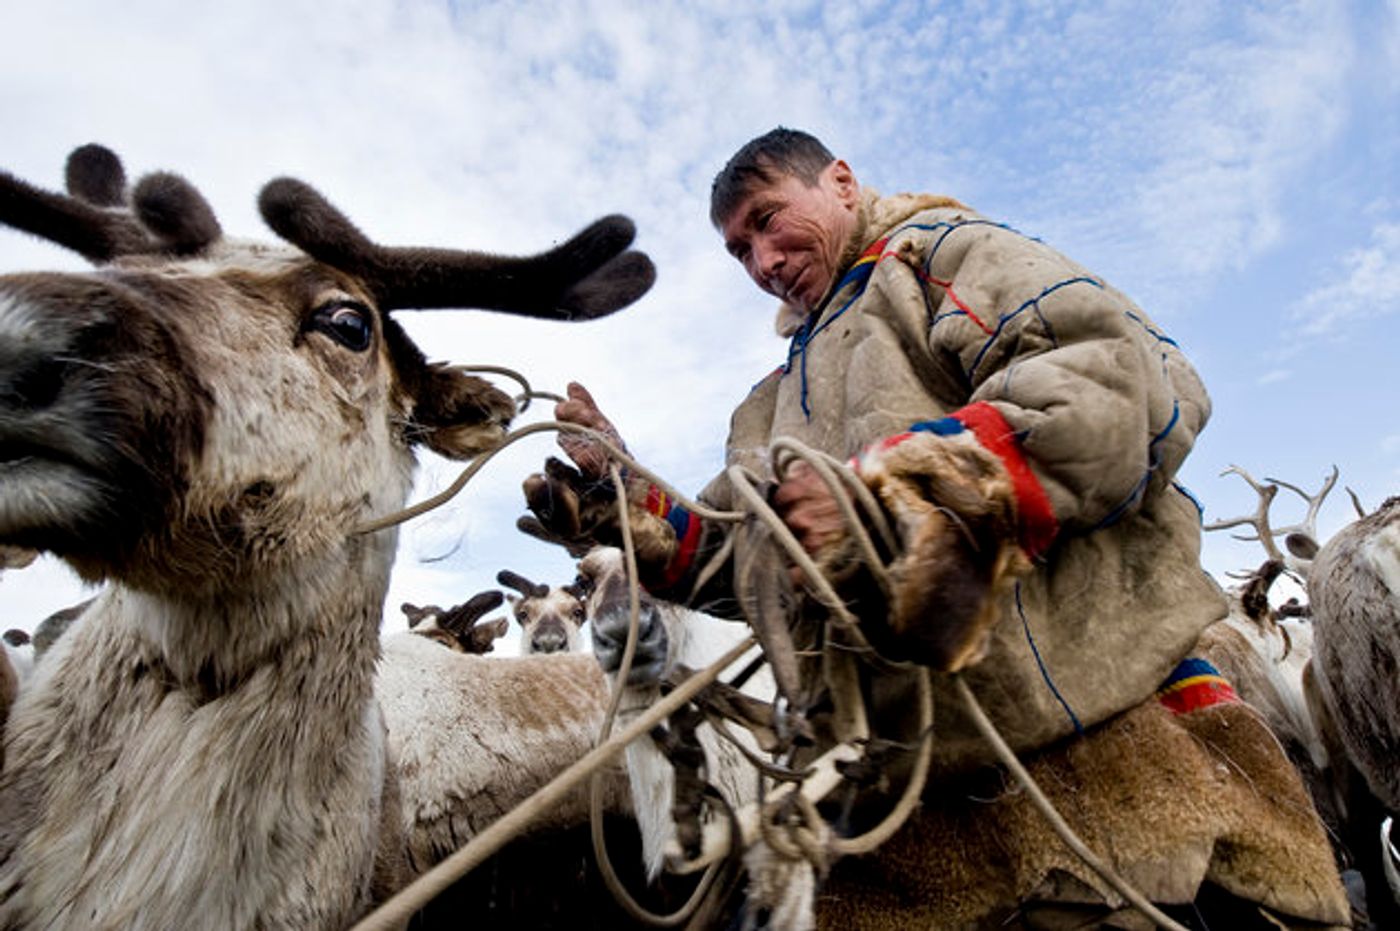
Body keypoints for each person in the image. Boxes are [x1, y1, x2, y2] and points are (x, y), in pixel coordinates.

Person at [525, 129, 1347, 928]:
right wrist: (629, 496)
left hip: (1104, 764)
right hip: (907, 806)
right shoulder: (775, 401)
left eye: (768, 219)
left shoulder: (942, 257)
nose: (763, 262)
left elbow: (1122, 379)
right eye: (739, 251)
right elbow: (749, 560)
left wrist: (900, 490)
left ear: (842, 182)